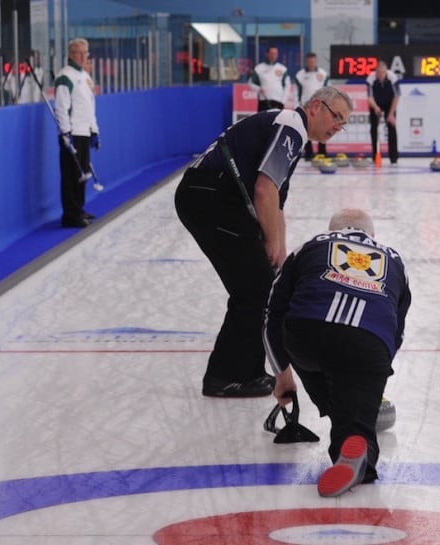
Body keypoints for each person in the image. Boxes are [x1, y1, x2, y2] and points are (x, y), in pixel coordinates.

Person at [174, 86, 353, 398]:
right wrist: (271, 241)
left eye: (344, 122)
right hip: (210, 197)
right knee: (254, 289)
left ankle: (248, 372)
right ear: (315, 107)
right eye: (336, 116)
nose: (338, 126)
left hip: (213, 197)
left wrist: (280, 251)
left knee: (263, 286)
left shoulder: (291, 131)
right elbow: (264, 191)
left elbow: (276, 203)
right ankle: (225, 376)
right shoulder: (292, 127)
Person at [265, 208, 411, 497]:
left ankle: (343, 414)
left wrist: (282, 376)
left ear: (331, 230)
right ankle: (356, 442)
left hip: (306, 335)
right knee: (356, 411)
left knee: (329, 373)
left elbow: (272, 313)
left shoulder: (309, 245)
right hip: (369, 341)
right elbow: (398, 331)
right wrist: (374, 381)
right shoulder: (395, 259)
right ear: (372, 236)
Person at [54, 38, 100, 228]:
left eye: (85, 53)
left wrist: (94, 130)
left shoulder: (86, 77)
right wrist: (65, 132)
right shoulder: (65, 76)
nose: (83, 57)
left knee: (84, 174)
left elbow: (90, 107)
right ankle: (70, 215)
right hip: (72, 132)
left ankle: (79, 209)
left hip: (84, 131)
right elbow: (61, 108)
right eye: (79, 53)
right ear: (71, 54)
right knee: (71, 175)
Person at [295, 52, 330, 159]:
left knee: (323, 129)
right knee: (307, 129)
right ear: (307, 62)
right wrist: (298, 106)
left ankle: (322, 153)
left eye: (313, 61)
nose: (311, 63)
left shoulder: (323, 74)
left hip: (320, 107)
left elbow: (328, 91)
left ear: (316, 61)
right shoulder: (300, 75)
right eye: (310, 61)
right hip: (306, 107)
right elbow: (297, 92)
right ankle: (309, 153)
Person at [366, 61, 400, 164]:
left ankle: (393, 158)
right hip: (375, 103)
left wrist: (390, 114)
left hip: (389, 103)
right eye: (379, 73)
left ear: (386, 72)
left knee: (392, 128)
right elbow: (369, 97)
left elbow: (397, 96)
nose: (381, 75)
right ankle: (375, 156)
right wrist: (375, 107)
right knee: (373, 129)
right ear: (376, 72)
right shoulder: (370, 79)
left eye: (383, 72)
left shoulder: (393, 78)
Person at [249, 45, 290, 112]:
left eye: (275, 54)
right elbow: (251, 83)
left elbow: (287, 87)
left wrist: (283, 101)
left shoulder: (283, 69)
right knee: (262, 122)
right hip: (263, 102)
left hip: (278, 102)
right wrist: (259, 89)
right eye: (271, 53)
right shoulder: (259, 68)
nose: (273, 56)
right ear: (267, 54)